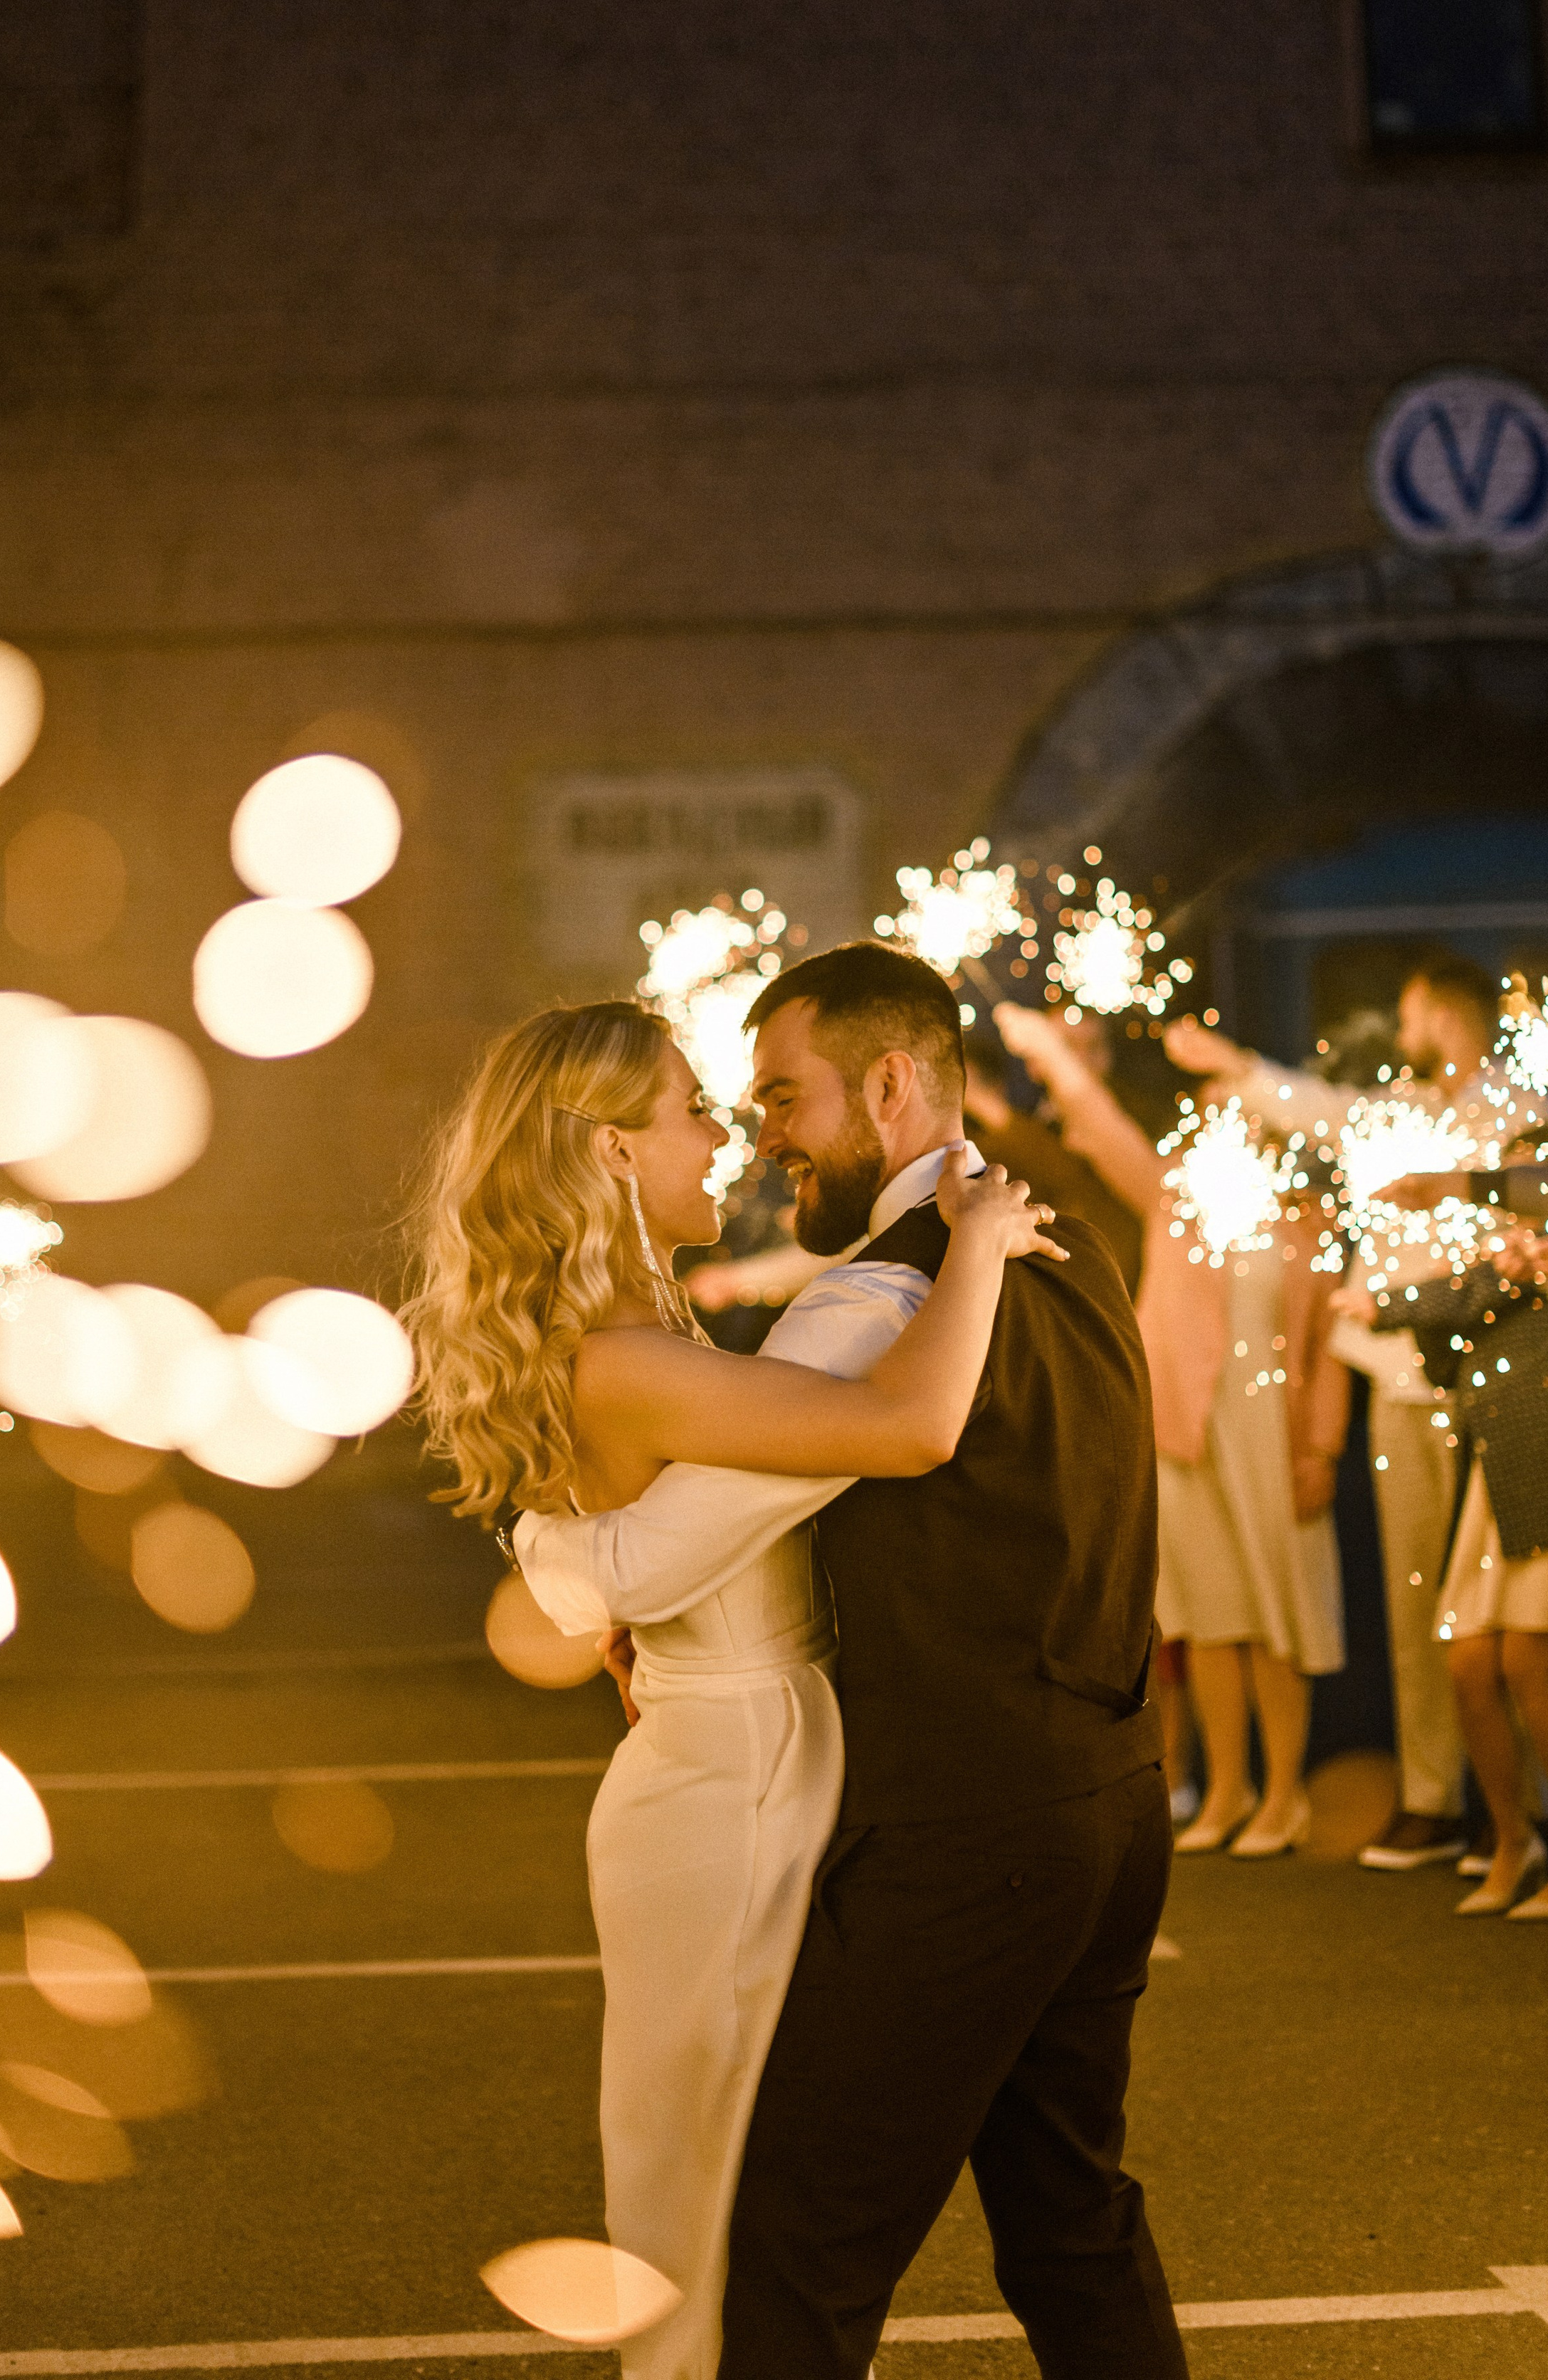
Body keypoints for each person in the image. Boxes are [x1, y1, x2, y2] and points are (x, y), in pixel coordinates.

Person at [515, 944, 1187, 2380]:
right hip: (1117, 1796)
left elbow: (668, 1548)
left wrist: (560, 1566)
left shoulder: (871, 1302)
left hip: (966, 1833)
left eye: (777, 1095)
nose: (760, 1132)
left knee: (792, 2261)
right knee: (1071, 2229)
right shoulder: (1066, 1245)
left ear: (885, 1086)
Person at [404, 989, 1065, 2380]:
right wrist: (981, 1245)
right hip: (731, 1787)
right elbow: (905, 1423)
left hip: (730, 1766)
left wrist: (599, 1589)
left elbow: (632, 1558)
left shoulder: (628, 1341)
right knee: (714, 2217)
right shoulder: (632, 1363)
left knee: (731, 2207)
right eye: (691, 1112)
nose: (720, 1139)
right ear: (608, 1156)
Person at [1163, 955, 1543, 1873]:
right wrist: (1236, 1066)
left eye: (1409, 1013)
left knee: (1510, 1612)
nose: (1399, 1031)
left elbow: (1529, 1238)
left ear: (1443, 1017)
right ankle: (1432, 1799)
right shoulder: (1399, 1116)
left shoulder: (1519, 1118)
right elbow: (1317, 1108)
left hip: (1503, 1381)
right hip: (1401, 1386)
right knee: (1416, 1598)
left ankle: (1520, 1808)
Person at [995, 1001, 1347, 1857]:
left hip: (1269, 1427)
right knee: (1210, 1616)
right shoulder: (1178, 1197)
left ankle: (1285, 1795)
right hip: (1186, 1424)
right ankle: (1226, 1793)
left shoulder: (1305, 1223)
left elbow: (1329, 1343)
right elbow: (1101, 1126)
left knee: (1274, 1617)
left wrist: (1321, 1446)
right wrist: (1049, 1054)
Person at [1417, 1223, 1548, 1917]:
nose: (1521, 1234)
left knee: (1527, 1665)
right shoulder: (1491, 1288)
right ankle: (1513, 1841)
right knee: (1467, 1665)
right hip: (1495, 1484)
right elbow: (1437, 1365)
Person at [963, 1024, 1144, 1294]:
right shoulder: (1010, 1138)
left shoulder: (1133, 1116)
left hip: (1126, 1277)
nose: (1078, 1058)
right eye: (1067, 1046)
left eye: (1093, 1046)